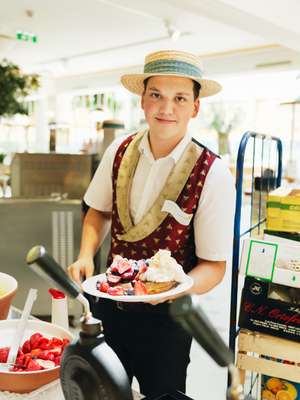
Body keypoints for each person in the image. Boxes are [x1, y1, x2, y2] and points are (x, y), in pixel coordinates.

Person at [68, 50, 235, 398]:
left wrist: (176, 286)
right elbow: (97, 211)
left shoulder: (213, 172)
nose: (166, 108)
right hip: (108, 308)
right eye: (156, 95)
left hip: (169, 323)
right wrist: (86, 254)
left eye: (180, 98)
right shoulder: (119, 150)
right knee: (102, 392)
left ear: (195, 107)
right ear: (143, 100)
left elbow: (214, 267)